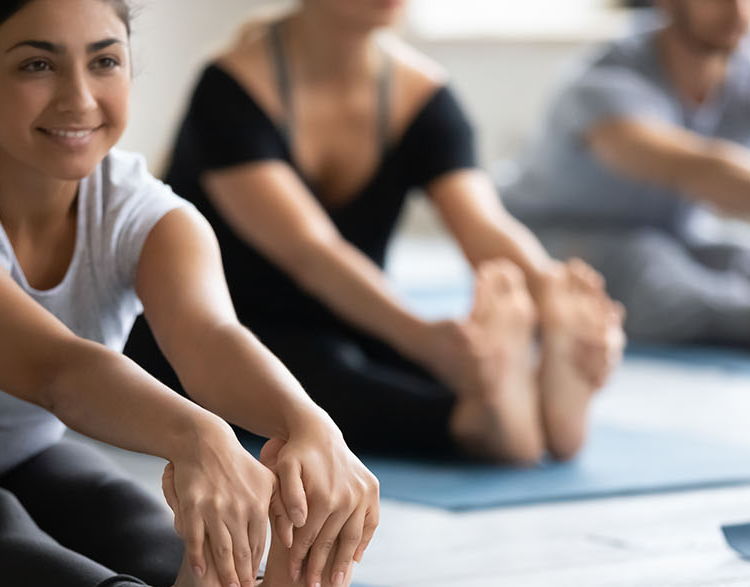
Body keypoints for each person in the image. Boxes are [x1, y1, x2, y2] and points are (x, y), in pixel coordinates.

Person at [0, 0, 380, 587]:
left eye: (104, 61)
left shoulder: (142, 210)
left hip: (18, 454)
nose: (79, 98)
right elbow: (57, 371)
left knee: (122, 510)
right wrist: (198, 439)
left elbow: (210, 336)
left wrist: (308, 426)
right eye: (37, 64)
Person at [125, 0, 624, 465]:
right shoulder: (230, 88)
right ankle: (471, 423)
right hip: (208, 327)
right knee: (337, 370)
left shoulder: (423, 94)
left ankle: (528, 404)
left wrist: (550, 295)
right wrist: (424, 338)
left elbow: (484, 224)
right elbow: (311, 251)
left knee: (448, 359)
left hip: (349, 315)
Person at [501, 0, 750, 349]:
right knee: (647, 267)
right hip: (550, 231)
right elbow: (694, 167)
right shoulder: (605, 80)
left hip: (672, 230)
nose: (739, 10)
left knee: (747, 256)